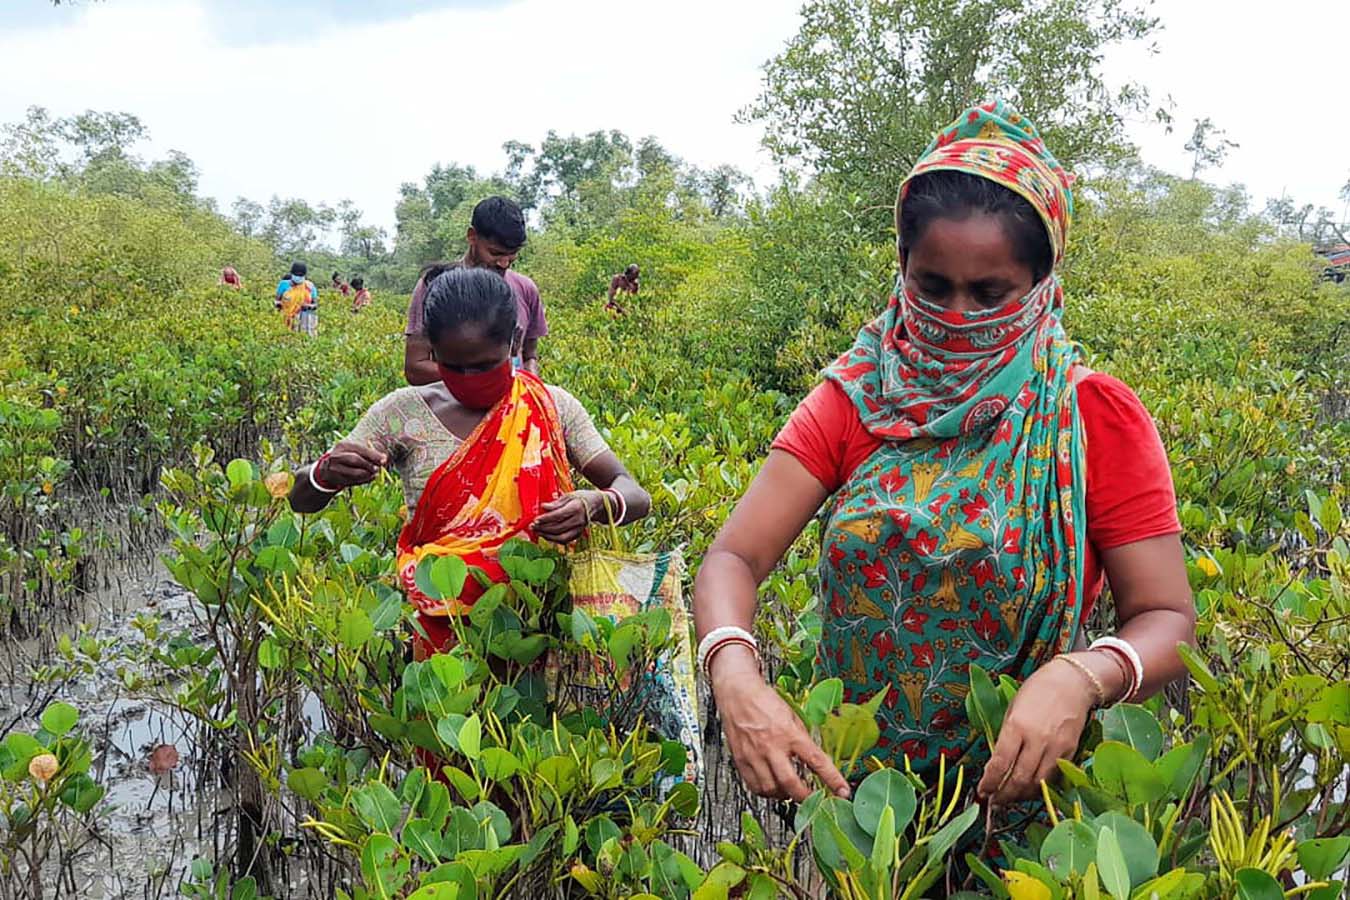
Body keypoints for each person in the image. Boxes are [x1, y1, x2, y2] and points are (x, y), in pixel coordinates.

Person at [693, 101, 1195, 814]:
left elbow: (1167, 615)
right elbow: (732, 560)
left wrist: (1082, 677)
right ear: (902, 265)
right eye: (934, 286)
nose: (958, 317)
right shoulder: (857, 398)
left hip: (1027, 792)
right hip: (860, 807)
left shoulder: (1088, 416)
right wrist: (737, 677)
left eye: (990, 293)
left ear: (1043, 284)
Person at [291, 266, 650, 657]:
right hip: (442, 636)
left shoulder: (552, 406)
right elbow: (300, 497)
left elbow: (633, 493)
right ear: (434, 352)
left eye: (483, 365)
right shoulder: (401, 413)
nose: (468, 378)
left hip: (541, 627)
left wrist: (597, 503)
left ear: (513, 341)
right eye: (453, 366)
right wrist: (324, 474)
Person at [404, 196, 547, 384]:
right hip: (451, 408)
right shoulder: (434, 286)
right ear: (472, 236)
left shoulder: (525, 289)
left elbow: (530, 356)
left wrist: (528, 385)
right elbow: (415, 368)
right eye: (495, 253)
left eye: (512, 256)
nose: (504, 264)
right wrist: (483, 378)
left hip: (512, 409)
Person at [276, 262, 319, 335]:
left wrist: (308, 306)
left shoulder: (309, 286)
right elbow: (277, 300)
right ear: (292, 274)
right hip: (285, 318)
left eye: (300, 275)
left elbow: (315, 305)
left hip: (304, 320)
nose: (298, 277)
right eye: (296, 275)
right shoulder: (283, 285)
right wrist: (280, 304)